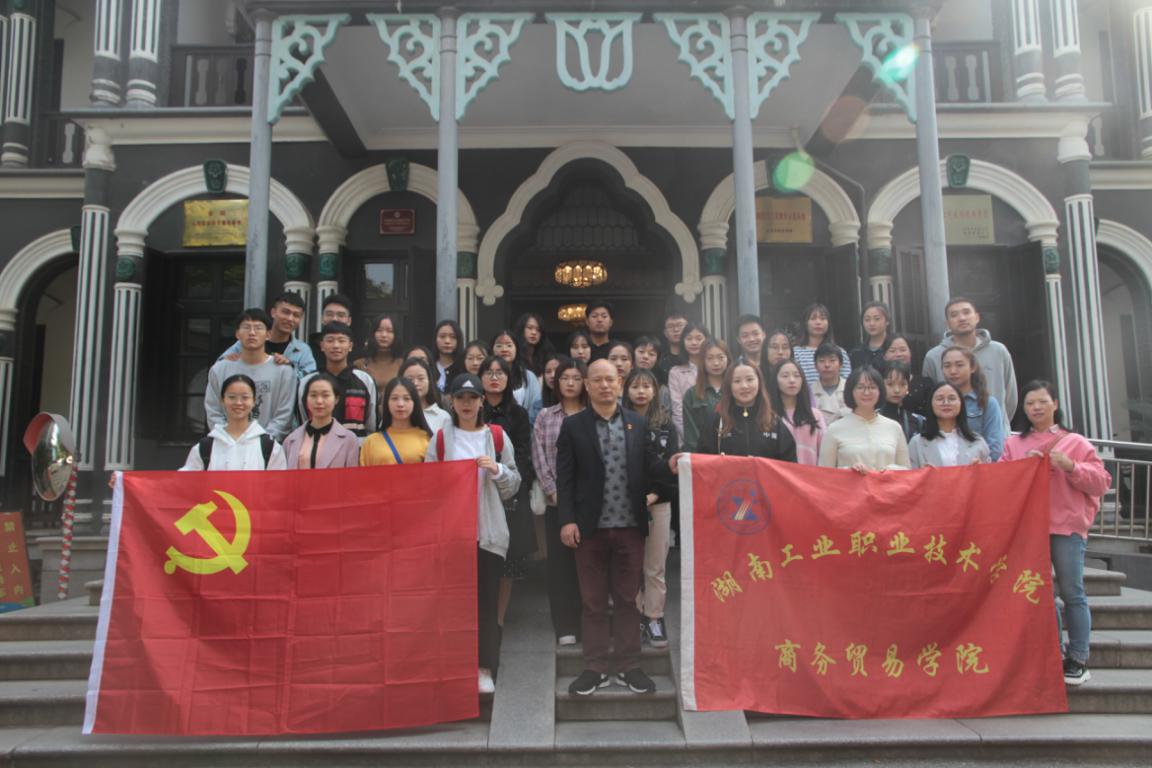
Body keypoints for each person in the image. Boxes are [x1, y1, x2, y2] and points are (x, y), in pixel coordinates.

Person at [556, 359, 671, 696]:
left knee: (626, 600)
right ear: (587, 385)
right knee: (592, 601)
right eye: (598, 380)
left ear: (620, 384)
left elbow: (651, 465)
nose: (605, 385)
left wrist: (672, 464)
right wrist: (567, 519)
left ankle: (629, 666)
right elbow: (565, 477)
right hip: (589, 528)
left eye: (610, 379)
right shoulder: (573, 426)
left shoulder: (637, 422)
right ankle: (594, 668)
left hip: (630, 527)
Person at [1001, 380, 1111, 686]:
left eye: (1042, 401)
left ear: (1055, 404)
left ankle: (1078, 658)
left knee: (1072, 592)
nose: (1036, 407)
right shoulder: (1014, 444)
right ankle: (1053, 653)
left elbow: (1102, 482)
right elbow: (1002, 479)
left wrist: (1071, 466)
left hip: (1066, 527)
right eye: (1030, 403)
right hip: (1030, 528)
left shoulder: (1076, 442)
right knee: (1042, 594)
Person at [425, 373, 520, 694]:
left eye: (473, 398)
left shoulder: (496, 436)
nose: (466, 404)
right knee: (453, 604)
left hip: (488, 533)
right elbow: (428, 485)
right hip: (452, 535)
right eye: (460, 398)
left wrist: (497, 470)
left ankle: (484, 667)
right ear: (451, 402)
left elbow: (514, 484)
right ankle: (455, 665)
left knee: (486, 603)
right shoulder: (441, 439)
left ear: (481, 402)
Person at [621, 368, 679, 650]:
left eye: (646, 386)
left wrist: (654, 495)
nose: (641, 391)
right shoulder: (618, 420)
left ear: (655, 390)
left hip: (659, 502)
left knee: (655, 566)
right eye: (635, 386)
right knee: (629, 564)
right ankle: (633, 617)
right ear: (626, 390)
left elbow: (673, 468)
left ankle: (654, 617)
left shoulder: (666, 425)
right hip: (624, 504)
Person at [532, 357, 587, 646]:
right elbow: (539, 456)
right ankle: (565, 626)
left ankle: (587, 623)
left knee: (588, 565)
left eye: (576, 378)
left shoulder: (593, 413)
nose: (570, 383)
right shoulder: (545, 416)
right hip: (557, 502)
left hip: (588, 503)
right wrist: (553, 491)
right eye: (565, 377)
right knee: (560, 567)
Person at [480, 354, 537, 630]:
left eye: (500, 372)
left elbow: (524, 455)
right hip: (477, 490)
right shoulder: (472, 408)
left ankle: (499, 620)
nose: (494, 377)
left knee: (508, 561)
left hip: (509, 491)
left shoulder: (519, 414)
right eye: (489, 372)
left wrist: (511, 482)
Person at [922, 297, 1018, 426]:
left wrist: (999, 424)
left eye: (966, 312)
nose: (962, 318)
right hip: (953, 432)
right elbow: (930, 399)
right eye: (954, 315)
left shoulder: (999, 351)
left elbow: (1010, 397)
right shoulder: (933, 356)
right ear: (947, 324)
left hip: (996, 432)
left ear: (977, 317)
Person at [205, 308, 296, 442]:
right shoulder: (220, 369)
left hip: (268, 446)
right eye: (246, 327)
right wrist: (229, 438)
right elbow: (213, 411)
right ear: (237, 333)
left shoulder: (284, 371)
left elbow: (284, 415)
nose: (252, 333)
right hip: (227, 443)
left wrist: (263, 442)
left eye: (258, 328)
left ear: (268, 334)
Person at [183, 374, 287, 470]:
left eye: (245, 397)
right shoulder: (205, 447)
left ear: (254, 402)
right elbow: (188, 481)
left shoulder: (269, 447)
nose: (238, 402)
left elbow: (279, 482)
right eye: (232, 397)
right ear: (222, 400)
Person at [695, 363, 797, 461]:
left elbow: (788, 464)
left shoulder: (773, 421)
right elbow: (703, 461)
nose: (744, 386)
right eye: (737, 381)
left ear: (759, 383)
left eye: (750, 379)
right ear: (729, 386)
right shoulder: (717, 421)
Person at [819, 366, 910, 472]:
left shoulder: (894, 427)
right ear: (850, 391)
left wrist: (891, 470)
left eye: (872, 387)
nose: (866, 392)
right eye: (860, 387)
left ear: (880, 391)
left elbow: (907, 471)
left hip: (886, 483)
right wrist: (849, 471)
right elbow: (824, 473)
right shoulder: (834, 429)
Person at [298, 322, 377, 441]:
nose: (336, 345)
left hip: (357, 447)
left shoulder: (365, 380)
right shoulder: (307, 382)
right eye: (330, 340)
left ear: (350, 346)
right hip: (317, 446)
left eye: (341, 341)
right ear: (322, 345)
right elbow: (303, 420)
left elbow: (372, 424)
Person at [218, 292, 316, 381]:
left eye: (296, 315)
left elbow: (311, 380)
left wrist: (289, 368)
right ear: (273, 312)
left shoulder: (302, 350)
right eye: (286, 312)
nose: (290, 318)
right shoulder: (249, 341)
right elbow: (220, 367)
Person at [940, 346, 1006, 461]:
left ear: (972, 367)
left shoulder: (987, 403)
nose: (953, 371)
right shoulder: (937, 402)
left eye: (959, 365)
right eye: (947, 366)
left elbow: (995, 447)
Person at [281, 374, 360, 469]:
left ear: (336, 399)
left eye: (325, 395)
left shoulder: (349, 439)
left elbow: (351, 476)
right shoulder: (290, 440)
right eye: (313, 395)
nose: (319, 401)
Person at [908, 382, 990, 468]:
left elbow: (990, 474)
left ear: (961, 403)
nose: (946, 403)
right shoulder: (917, 443)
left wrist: (981, 469)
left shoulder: (977, 441)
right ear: (930, 404)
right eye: (940, 399)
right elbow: (910, 474)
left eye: (952, 398)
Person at [360, 377, 432, 465]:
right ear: (386, 402)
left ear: (415, 402)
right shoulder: (370, 442)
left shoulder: (427, 439)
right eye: (394, 398)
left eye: (406, 398)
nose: (400, 404)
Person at [770, 359, 826, 466]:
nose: (792, 380)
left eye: (796, 376)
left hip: (810, 474)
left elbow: (824, 451)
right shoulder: (768, 416)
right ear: (775, 381)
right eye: (785, 376)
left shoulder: (815, 415)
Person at [682, 338, 729, 452]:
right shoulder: (691, 394)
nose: (716, 363)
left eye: (721, 357)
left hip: (733, 455)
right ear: (702, 361)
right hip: (703, 456)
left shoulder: (735, 390)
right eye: (710, 358)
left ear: (728, 359)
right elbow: (691, 436)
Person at [793, 303, 851, 387]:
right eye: (813, 318)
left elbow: (847, 383)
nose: (818, 322)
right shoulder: (796, 353)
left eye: (823, 318)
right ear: (805, 323)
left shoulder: (840, 352)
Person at [492, 330, 542, 425]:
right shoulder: (486, 375)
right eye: (499, 345)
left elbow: (536, 406)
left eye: (509, 345)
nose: (504, 349)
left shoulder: (529, 376)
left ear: (516, 349)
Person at [668, 321, 709, 439]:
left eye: (699, 338)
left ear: (707, 340)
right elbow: (678, 411)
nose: (694, 342)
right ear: (683, 342)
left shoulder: (715, 368)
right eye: (689, 338)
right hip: (687, 436)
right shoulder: (675, 372)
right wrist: (691, 439)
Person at [883, 333, 934, 417]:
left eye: (903, 350)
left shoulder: (926, 384)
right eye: (892, 351)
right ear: (884, 356)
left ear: (910, 352)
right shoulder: (877, 383)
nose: (898, 354)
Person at [355, 313, 405, 393]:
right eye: (379, 330)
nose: (384, 335)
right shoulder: (360, 364)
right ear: (373, 334)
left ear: (395, 335)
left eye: (389, 331)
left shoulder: (403, 364)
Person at [401, 356, 451, 435]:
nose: (415, 383)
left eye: (421, 378)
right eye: (410, 379)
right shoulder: (395, 413)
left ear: (429, 381)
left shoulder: (442, 417)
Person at [880, 362, 924, 441]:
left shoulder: (918, 421)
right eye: (890, 384)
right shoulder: (870, 418)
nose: (897, 390)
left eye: (902, 384)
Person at [309, 293, 354, 367]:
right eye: (329, 314)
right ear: (322, 318)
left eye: (340, 315)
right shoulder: (308, 350)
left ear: (349, 321)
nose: (334, 319)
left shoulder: (359, 355)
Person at [812, 342, 850, 426]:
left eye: (832, 360)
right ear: (815, 366)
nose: (827, 365)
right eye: (822, 361)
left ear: (841, 364)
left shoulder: (850, 389)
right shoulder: (809, 392)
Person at [849, 301, 892, 371]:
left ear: (887, 321)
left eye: (877, 319)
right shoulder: (856, 353)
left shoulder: (895, 348)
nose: (871, 323)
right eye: (867, 320)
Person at [514, 312, 554, 377]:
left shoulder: (546, 356)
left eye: (538, 330)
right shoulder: (514, 355)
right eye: (530, 328)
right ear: (521, 330)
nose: (534, 332)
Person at [433, 319, 466, 394]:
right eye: (442, 336)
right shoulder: (429, 366)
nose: (447, 341)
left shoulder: (464, 367)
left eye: (453, 337)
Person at [656, 310, 688, 384]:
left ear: (688, 329)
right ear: (665, 333)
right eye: (670, 326)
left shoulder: (696, 357)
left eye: (680, 325)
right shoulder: (658, 358)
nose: (676, 330)